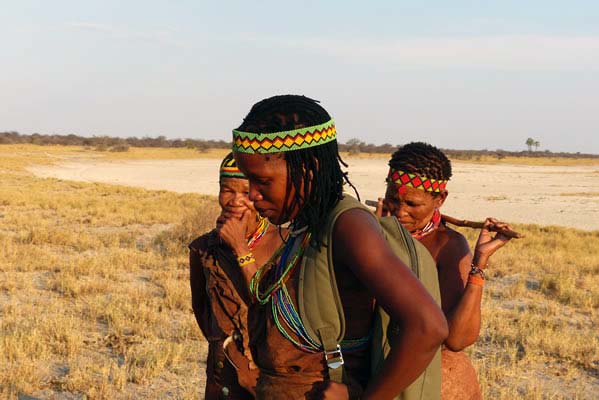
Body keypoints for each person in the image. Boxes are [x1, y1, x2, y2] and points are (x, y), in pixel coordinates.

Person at [231, 95, 448, 400]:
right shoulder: (306, 225)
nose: (252, 195)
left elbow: (428, 325)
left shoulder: (348, 226)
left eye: (262, 181)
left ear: (308, 167)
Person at [374, 142, 515, 400]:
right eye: (393, 199)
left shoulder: (448, 245)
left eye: (412, 204)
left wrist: (479, 263)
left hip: (431, 377)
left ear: (440, 199)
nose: (400, 212)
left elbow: (458, 340)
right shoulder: (371, 230)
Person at [189, 152, 283, 399]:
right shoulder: (203, 248)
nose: (236, 201)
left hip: (274, 376)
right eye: (227, 190)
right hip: (224, 377)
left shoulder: (286, 244)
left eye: (246, 192)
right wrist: (229, 353)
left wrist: (240, 247)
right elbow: (201, 310)